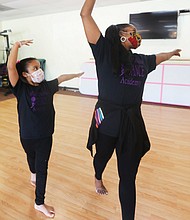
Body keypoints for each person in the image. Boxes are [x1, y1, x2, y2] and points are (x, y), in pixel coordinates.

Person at [80, 1, 181, 219]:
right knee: (102, 156)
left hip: (132, 122)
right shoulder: (105, 51)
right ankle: (97, 175)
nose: (137, 36)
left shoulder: (142, 61)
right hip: (107, 117)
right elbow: (85, 15)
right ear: (120, 36)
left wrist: (171, 52)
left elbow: (159, 57)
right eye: (132, 32)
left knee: (128, 177)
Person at [7, 40, 83, 218]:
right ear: (25, 74)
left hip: (45, 136)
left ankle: (39, 202)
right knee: (30, 158)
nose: (39, 70)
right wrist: (16, 45)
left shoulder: (47, 87)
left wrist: (76, 75)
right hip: (26, 136)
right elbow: (11, 67)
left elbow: (62, 77)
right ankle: (32, 174)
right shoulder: (20, 89)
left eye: (39, 66)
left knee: (42, 168)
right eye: (35, 68)